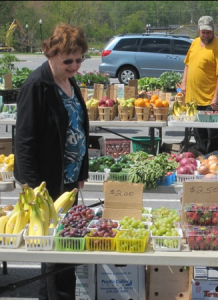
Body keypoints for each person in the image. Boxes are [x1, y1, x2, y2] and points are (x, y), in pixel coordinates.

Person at [14, 23, 90, 300]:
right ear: (51, 54)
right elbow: (23, 140)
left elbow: (79, 127)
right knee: (54, 252)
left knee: (65, 249)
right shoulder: (37, 85)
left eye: (79, 59)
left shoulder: (70, 82)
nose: (74, 66)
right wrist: (34, 188)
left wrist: (81, 169)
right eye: (67, 60)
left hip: (67, 178)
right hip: (46, 181)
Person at [180, 16, 218, 157]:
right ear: (198, 30)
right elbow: (188, 64)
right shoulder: (195, 43)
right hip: (194, 100)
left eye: (208, 32)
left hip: (212, 102)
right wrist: (184, 84)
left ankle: (217, 166)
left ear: (213, 29)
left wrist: (215, 98)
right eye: (203, 32)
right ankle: (203, 165)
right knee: (199, 137)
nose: (206, 35)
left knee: (215, 138)